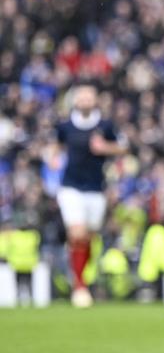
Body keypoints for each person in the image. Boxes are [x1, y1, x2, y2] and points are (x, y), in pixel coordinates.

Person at [53, 83, 128, 307]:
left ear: (95, 100)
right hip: (71, 187)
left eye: (89, 96)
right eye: (81, 96)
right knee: (77, 233)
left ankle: (81, 277)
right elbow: (55, 148)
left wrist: (106, 148)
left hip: (96, 188)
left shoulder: (105, 126)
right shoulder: (65, 127)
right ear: (75, 101)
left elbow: (123, 148)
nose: (85, 100)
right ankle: (79, 286)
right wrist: (53, 159)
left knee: (89, 238)